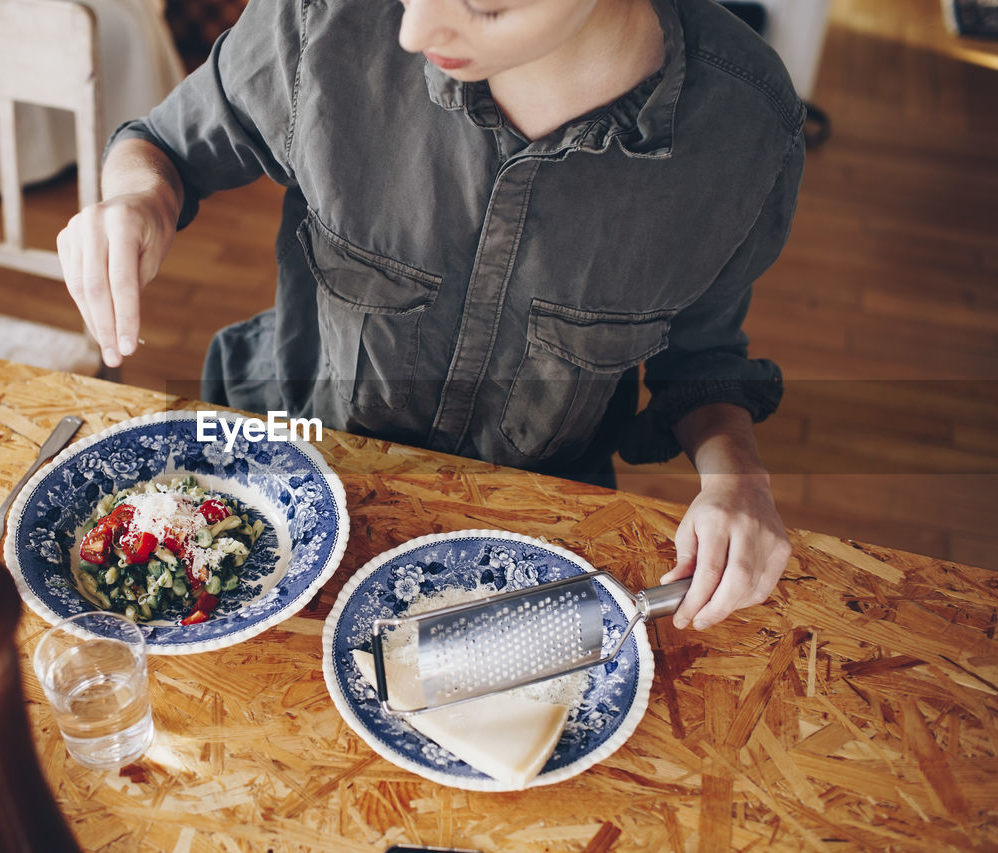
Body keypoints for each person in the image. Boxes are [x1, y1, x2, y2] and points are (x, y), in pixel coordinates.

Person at [57, 0, 800, 631]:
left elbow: (701, 359)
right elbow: (162, 146)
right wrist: (136, 202)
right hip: (287, 476)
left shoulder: (742, 130)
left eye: (485, 2)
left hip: (524, 539)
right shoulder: (328, 18)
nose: (413, 32)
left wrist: (736, 476)